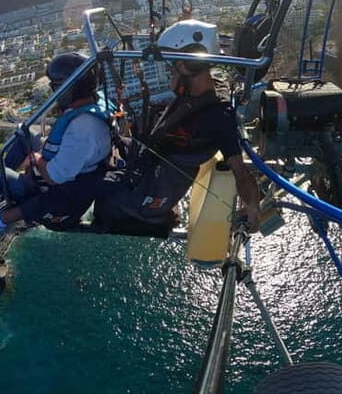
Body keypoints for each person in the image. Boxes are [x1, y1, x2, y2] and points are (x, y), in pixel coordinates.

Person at [93, 19, 260, 233]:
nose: (170, 72)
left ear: (192, 65)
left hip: (154, 187)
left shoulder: (217, 116)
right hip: (150, 162)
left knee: (93, 193)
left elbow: (240, 171)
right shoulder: (199, 90)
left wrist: (251, 208)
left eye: (174, 65)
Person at [0, 52, 113, 237]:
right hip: (70, 167)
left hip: (50, 187)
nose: (54, 92)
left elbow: (55, 177)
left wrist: (36, 159)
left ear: (72, 88)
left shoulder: (84, 127)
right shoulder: (93, 106)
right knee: (24, 135)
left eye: (56, 86)